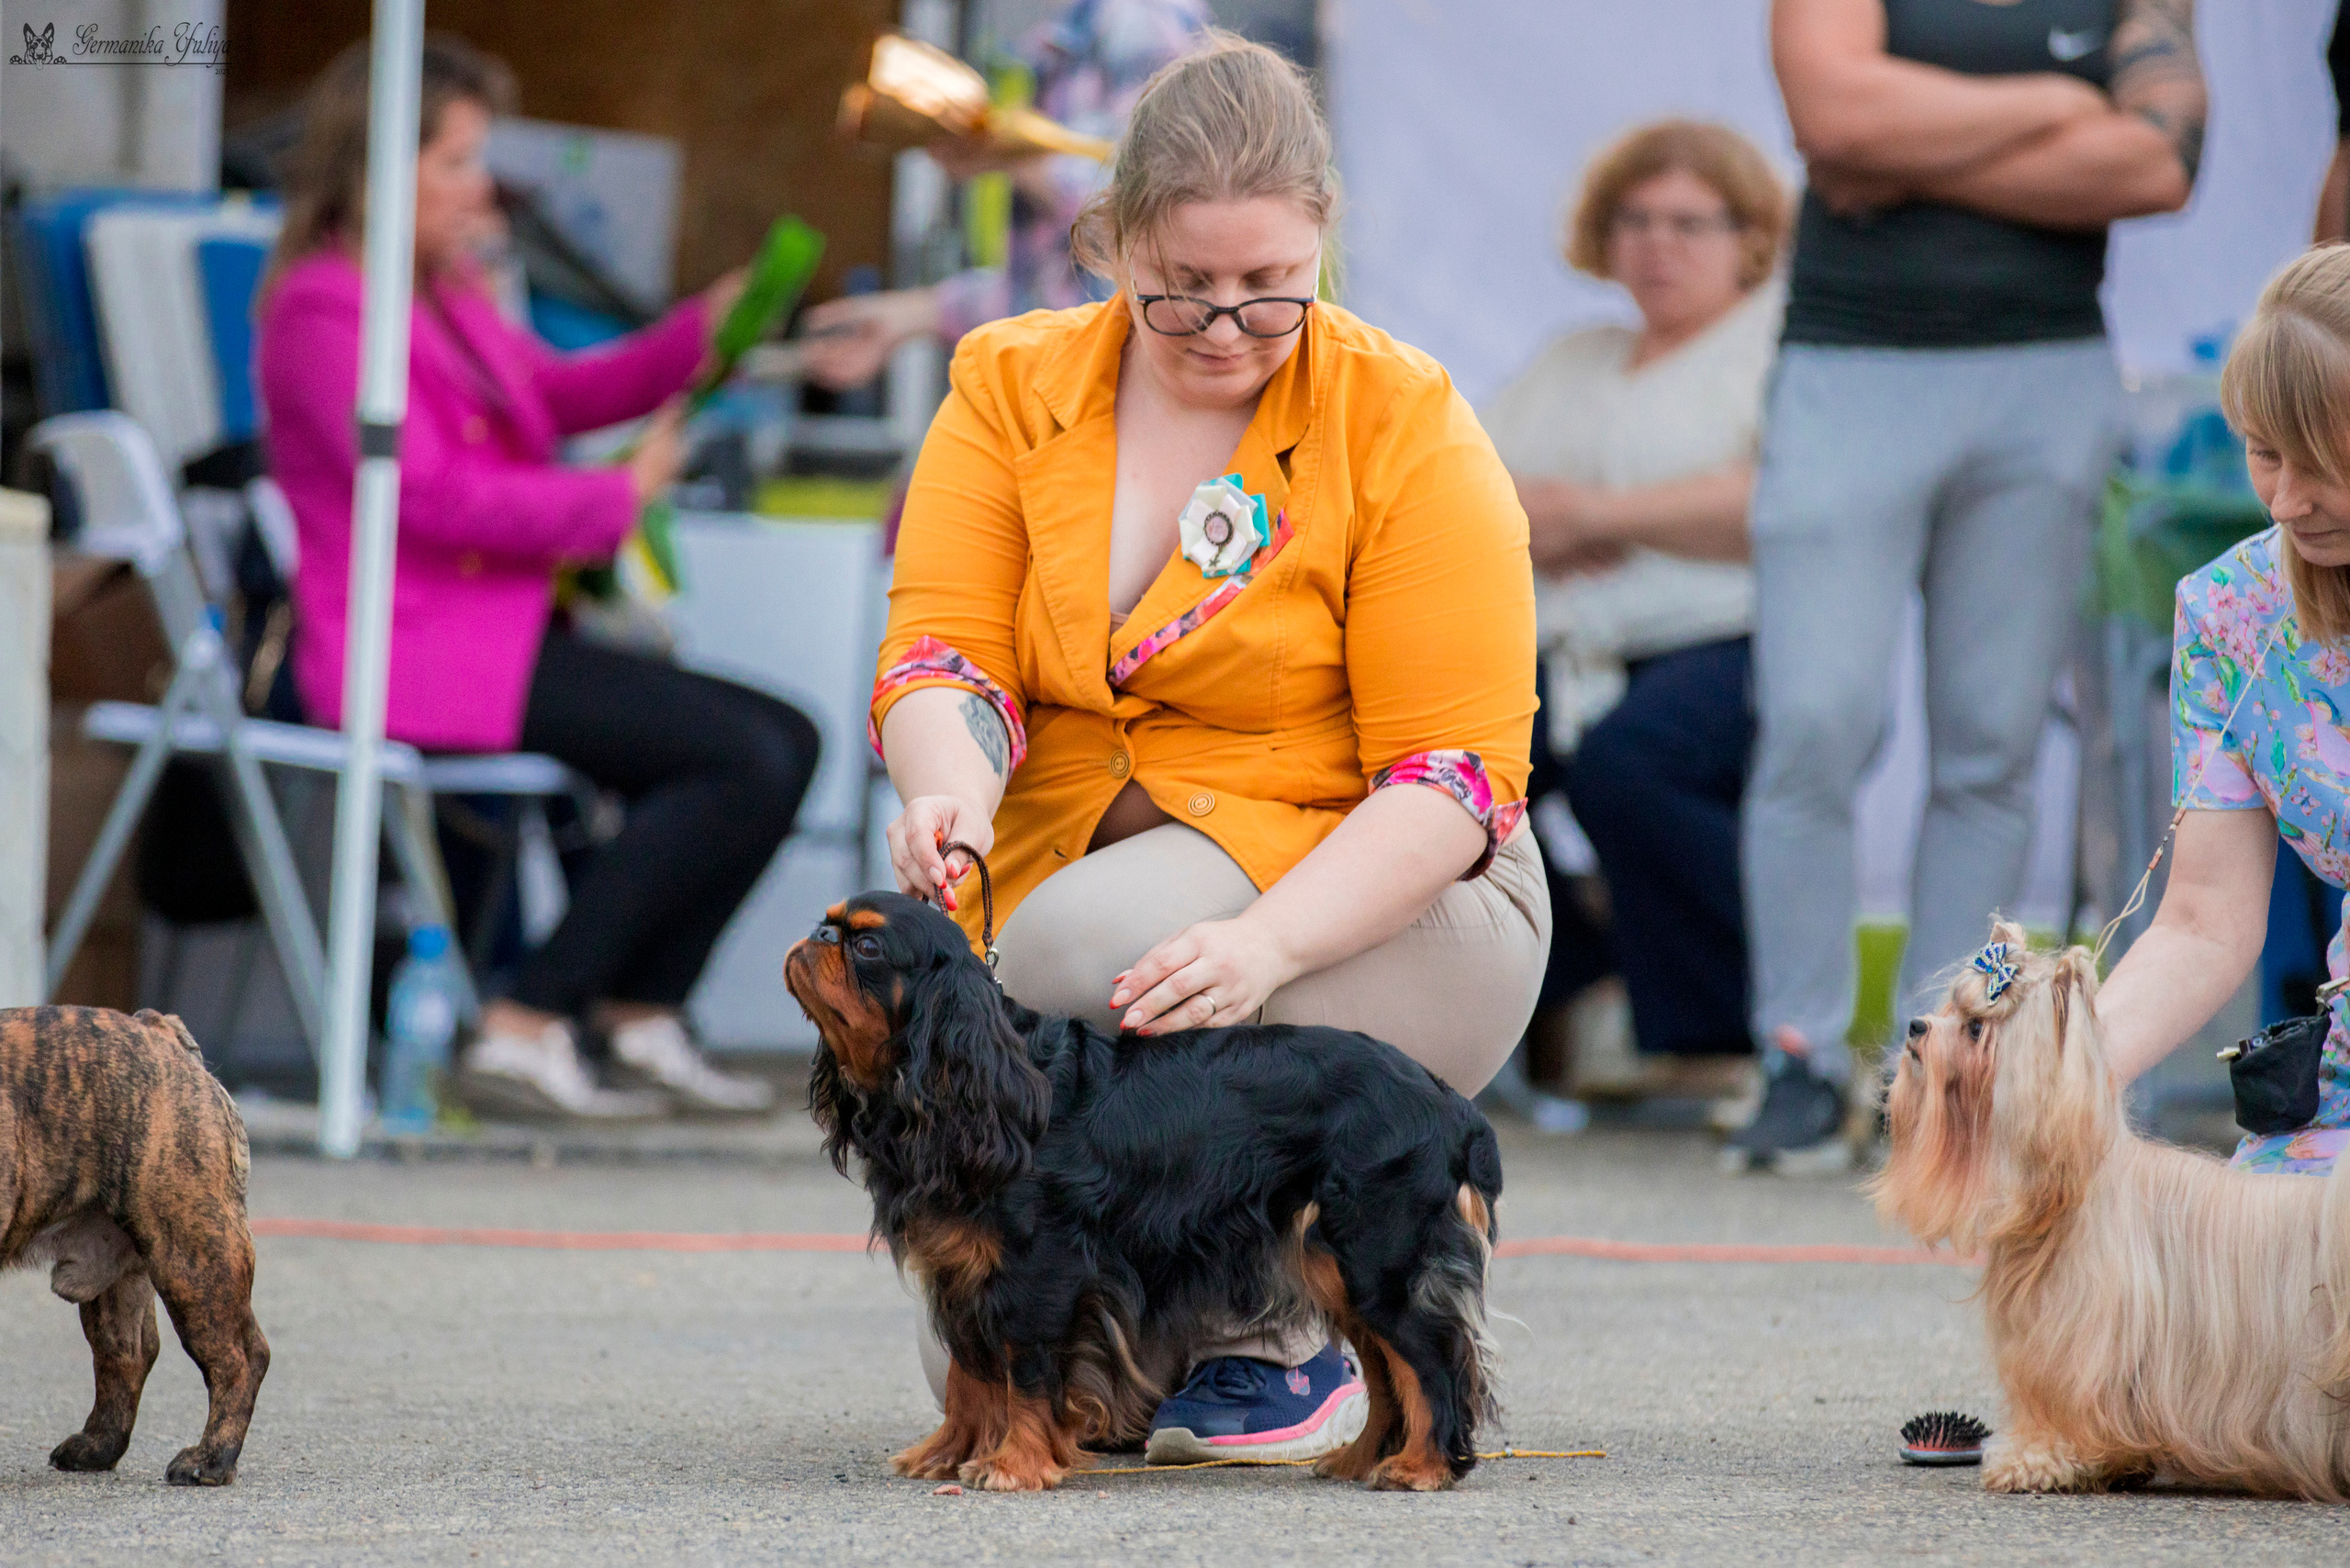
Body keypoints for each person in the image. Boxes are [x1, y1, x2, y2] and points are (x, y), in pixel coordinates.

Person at [869, 36, 1544, 1465]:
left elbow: (1454, 780)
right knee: (1018, 1054)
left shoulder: (1405, 418)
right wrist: (947, 791)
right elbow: (946, 657)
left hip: (1396, 883)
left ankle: (1274, 1336)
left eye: (1270, 290)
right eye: (1184, 289)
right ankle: (1143, 1345)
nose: (1230, 323)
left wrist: (1267, 951)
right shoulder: (1007, 382)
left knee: (1062, 960)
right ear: (1110, 241)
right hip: (1095, 850)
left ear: (1322, 239)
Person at [256, 37, 818, 1122]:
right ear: (379, 168)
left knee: (786, 739)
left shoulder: (443, 289)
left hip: (494, 629)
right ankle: (529, 1020)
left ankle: (638, 1010)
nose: (483, 187)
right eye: (458, 162)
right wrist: (610, 502)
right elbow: (425, 496)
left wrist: (706, 329)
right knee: (741, 756)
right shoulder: (325, 310)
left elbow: (553, 396)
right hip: (412, 645)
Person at [1734, 0, 2207, 1173]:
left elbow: (2153, 161)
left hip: (2045, 374)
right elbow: (1835, 117)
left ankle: (1951, 1059)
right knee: (1815, 721)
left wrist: (1917, 145)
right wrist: (2055, 109)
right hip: (1851, 365)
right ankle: (1796, 1051)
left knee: (1991, 743)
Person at [1481, 120, 1786, 1100]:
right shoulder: (1573, 358)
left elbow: (1769, 501)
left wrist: (1593, 515)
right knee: (1439, 769)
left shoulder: (1776, 347)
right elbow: (1466, 491)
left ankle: (1717, 1030)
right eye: (1636, 219)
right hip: (1559, 641)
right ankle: (1573, 971)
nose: (1658, 242)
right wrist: (1567, 524)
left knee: (1631, 764)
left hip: (1731, 641)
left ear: (1747, 235)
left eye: (1689, 222)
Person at [2099, 246, 2350, 1172]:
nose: (2286, 500)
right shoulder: (2228, 612)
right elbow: (2203, 918)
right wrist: (2067, 1070)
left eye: (2322, 460)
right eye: (2262, 453)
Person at [800, 0, 1212, 391]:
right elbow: (1054, 288)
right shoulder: (1067, 36)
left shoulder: (1143, 21)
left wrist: (1004, 152)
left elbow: (1149, 214)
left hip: (1110, 399)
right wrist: (907, 317)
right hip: (1068, 389)